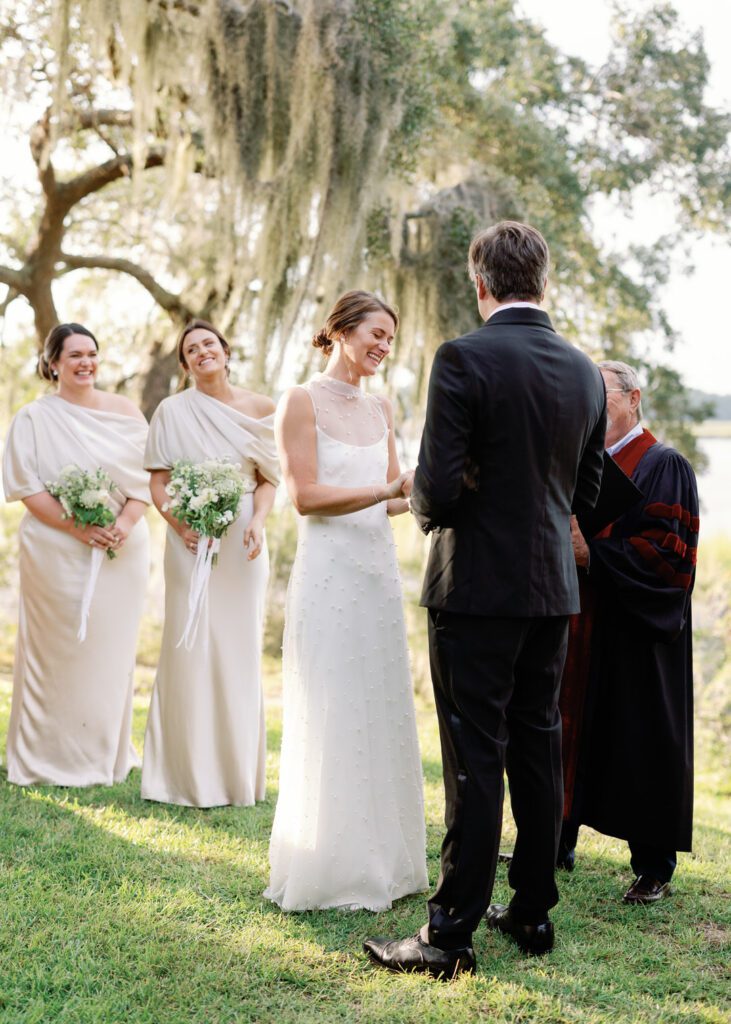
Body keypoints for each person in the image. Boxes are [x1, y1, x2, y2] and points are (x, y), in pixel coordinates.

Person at [364, 221, 607, 979]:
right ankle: (531, 912)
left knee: (475, 757)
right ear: (544, 281)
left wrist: (438, 512)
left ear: (480, 282)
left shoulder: (463, 356)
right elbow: (588, 493)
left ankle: (447, 936)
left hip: (473, 587)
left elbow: (432, 485)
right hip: (551, 591)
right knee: (537, 746)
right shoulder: (585, 371)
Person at [265, 290, 428, 912]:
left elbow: (390, 499)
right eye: (376, 334)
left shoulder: (381, 406)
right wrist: (385, 485)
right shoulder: (299, 401)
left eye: (390, 338)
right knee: (332, 703)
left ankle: (385, 860)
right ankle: (328, 866)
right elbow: (304, 495)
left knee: (378, 704)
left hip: (376, 573)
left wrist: (421, 487)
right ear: (340, 330)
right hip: (329, 571)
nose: (384, 347)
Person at [557, 361, 698, 904]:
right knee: (565, 730)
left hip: (636, 634)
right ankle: (554, 844)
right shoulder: (578, 463)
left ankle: (653, 867)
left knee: (640, 740)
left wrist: (595, 554)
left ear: (633, 398)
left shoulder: (665, 464)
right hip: (576, 624)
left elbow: (669, 555)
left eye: (602, 393)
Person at [2, 322, 150, 786]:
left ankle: (102, 753)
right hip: (54, 550)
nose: (85, 362)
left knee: (108, 651)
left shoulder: (126, 411)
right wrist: (79, 528)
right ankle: (47, 756)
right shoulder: (33, 418)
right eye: (74, 355)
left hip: (120, 551)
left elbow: (146, 480)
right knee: (57, 648)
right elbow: (26, 486)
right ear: (52, 364)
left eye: (91, 353)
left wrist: (121, 526)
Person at [141, 319, 279, 808]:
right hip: (189, 538)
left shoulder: (262, 407)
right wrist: (180, 526)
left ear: (224, 350)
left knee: (237, 648)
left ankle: (235, 775)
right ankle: (181, 775)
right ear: (185, 365)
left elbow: (268, 479)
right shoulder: (171, 412)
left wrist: (258, 521)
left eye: (208, 344)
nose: (202, 352)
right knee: (189, 646)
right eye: (191, 349)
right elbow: (158, 483)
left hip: (242, 543)